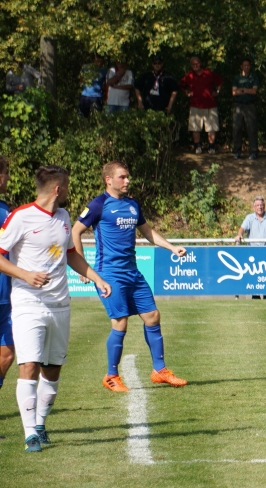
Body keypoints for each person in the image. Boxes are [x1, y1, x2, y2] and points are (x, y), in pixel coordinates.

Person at [0, 166, 112, 452]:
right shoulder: (20, 216)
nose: (69, 190)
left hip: (60, 305)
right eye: (68, 185)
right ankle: (30, 435)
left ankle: (40, 424)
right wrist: (24, 274)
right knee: (29, 364)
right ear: (58, 189)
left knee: (52, 369)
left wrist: (97, 278)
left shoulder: (63, 218)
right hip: (28, 303)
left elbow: (71, 255)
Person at [72, 161, 189, 392]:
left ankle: (159, 370)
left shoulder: (133, 204)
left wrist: (172, 247)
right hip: (109, 274)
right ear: (108, 180)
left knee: (153, 316)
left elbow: (147, 232)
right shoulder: (99, 204)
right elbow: (76, 231)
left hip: (133, 273)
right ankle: (111, 376)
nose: (127, 181)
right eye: (122, 177)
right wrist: (83, 268)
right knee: (120, 322)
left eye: (128, 177)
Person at [180, 56, 223, 154]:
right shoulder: (189, 75)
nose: (195, 65)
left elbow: (220, 81)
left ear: (200, 63)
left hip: (210, 104)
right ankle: (198, 147)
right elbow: (181, 85)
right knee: (195, 127)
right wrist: (187, 92)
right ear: (191, 65)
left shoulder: (208, 73)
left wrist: (217, 91)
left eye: (197, 63)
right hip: (195, 105)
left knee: (211, 128)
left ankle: (211, 147)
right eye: (193, 64)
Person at [232, 59, 260, 160]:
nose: (246, 67)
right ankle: (237, 151)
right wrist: (246, 90)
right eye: (244, 65)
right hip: (238, 106)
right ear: (241, 66)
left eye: (248, 65)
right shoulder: (237, 78)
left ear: (250, 66)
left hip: (250, 105)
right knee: (237, 128)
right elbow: (234, 92)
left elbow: (254, 91)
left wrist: (242, 90)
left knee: (251, 128)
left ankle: (253, 151)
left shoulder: (254, 78)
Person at [0, 156, 12, 394]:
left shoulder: (5, 209)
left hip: (7, 295)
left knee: (8, 353)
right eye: (5, 173)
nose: (8, 178)